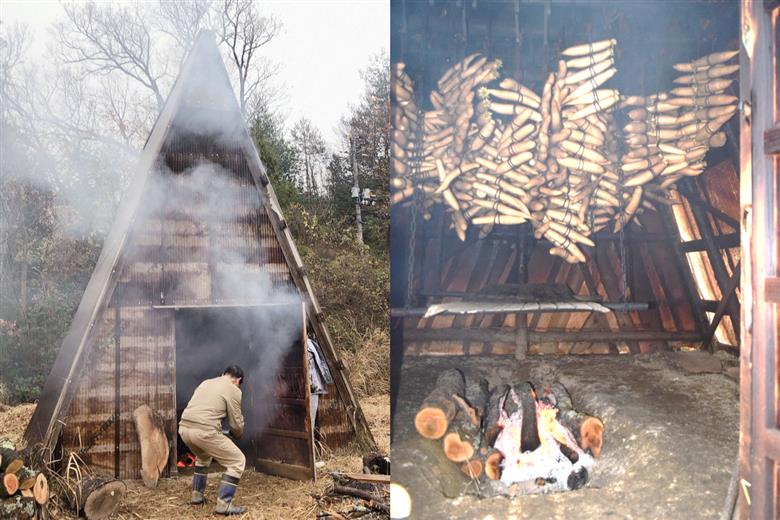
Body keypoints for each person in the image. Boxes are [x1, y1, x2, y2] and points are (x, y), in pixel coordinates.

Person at [178, 365, 247, 516]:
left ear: (223, 374)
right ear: (238, 380)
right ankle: (224, 505)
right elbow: (236, 424)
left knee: (203, 457)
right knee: (238, 461)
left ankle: (197, 496)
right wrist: (237, 434)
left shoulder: (206, 382)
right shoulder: (234, 389)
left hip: (184, 429)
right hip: (204, 432)